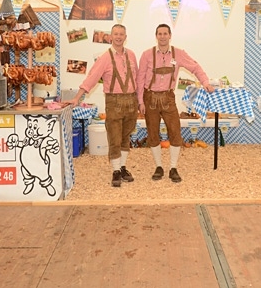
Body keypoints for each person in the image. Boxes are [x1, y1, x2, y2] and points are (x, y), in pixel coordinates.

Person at [137, 24, 215, 183]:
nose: (162, 36)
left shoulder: (178, 53)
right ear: (156, 36)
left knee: (175, 131)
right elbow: (140, 79)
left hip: (168, 97)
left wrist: (205, 82)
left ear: (170, 35)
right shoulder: (146, 55)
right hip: (149, 97)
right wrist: (140, 101)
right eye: (160, 34)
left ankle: (173, 167)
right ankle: (159, 166)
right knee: (152, 133)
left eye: (165, 33)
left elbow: (195, 67)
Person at [63, 24, 139, 187]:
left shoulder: (132, 55)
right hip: (114, 102)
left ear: (125, 37)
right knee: (114, 137)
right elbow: (92, 78)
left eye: (121, 34)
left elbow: (137, 80)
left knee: (125, 137)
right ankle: (116, 171)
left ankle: (123, 167)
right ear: (111, 37)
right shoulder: (104, 58)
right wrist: (77, 98)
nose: (118, 37)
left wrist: (141, 101)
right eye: (116, 34)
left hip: (131, 102)